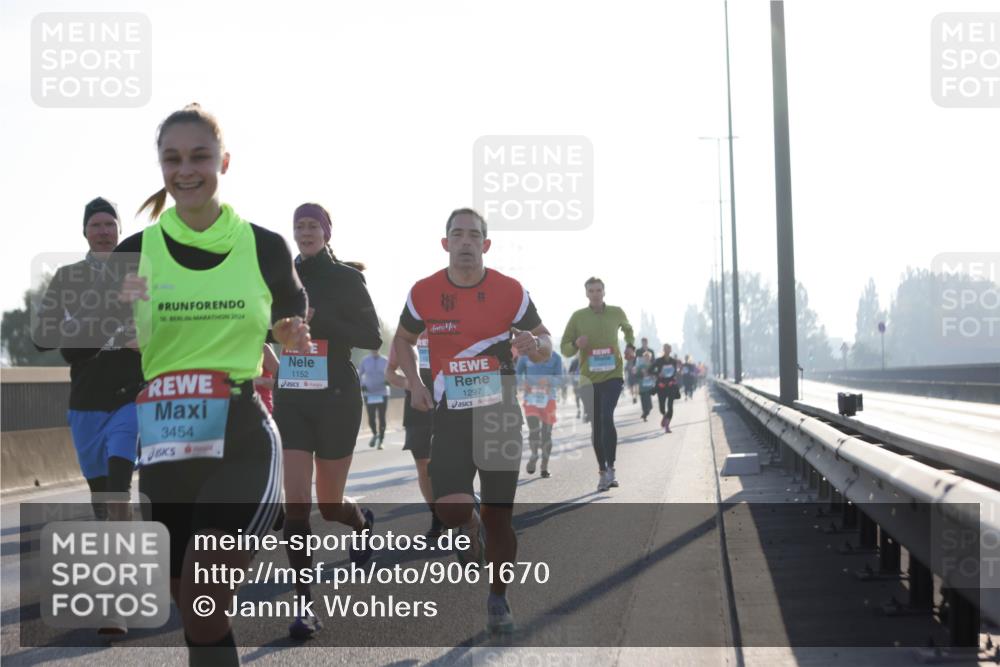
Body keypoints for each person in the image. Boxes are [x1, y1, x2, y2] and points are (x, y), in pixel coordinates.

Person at [107, 104, 309, 666]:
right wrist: (112, 327)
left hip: (241, 437)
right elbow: (83, 331)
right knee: (192, 612)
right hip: (166, 444)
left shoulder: (264, 244)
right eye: (172, 158)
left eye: (199, 156)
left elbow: (293, 309)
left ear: (224, 161)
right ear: (161, 166)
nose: (185, 170)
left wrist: (291, 331)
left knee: (201, 597)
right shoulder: (133, 253)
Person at [391, 208, 553, 634]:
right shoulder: (424, 292)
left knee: (501, 516)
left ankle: (498, 597)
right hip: (451, 417)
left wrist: (533, 342)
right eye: (457, 235)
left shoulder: (509, 290)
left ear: (486, 244)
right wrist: (414, 383)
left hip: (499, 414)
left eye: (473, 235)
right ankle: (469, 523)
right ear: (445, 243)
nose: (465, 242)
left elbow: (546, 343)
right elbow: (403, 340)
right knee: (451, 509)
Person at [32, 196, 144, 636]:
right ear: (85, 232)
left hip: (130, 395)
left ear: (119, 231)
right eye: (95, 225)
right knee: (103, 499)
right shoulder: (69, 278)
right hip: (85, 399)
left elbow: (163, 323)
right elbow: (45, 338)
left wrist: (146, 338)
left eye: (109, 225)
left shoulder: (137, 276)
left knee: (119, 488)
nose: (103, 231)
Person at [273, 202, 381, 640]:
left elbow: (372, 336)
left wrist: (323, 323)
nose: (305, 231)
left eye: (313, 224)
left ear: (327, 231)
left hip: (336, 393)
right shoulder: (281, 277)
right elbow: (258, 328)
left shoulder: (347, 279)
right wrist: (281, 328)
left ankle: (360, 524)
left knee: (329, 505)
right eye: (299, 225)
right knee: (296, 503)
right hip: (293, 393)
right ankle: (304, 605)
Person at [560, 277, 634, 492]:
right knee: (596, 424)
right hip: (588, 379)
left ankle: (611, 468)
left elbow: (628, 329)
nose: (595, 293)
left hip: (613, 375)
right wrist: (576, 344)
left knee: (606, 416)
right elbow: (565, 348)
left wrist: (630, 347)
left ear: (604, 292)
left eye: (598, 290)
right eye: (591, 290)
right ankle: (602, 471)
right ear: (586, 294)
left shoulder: (616, 312)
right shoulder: (578, 317)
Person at [385, 331, 443, 537]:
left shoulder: (449, 325)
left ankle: (462, 507)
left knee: (451, 459)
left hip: (447, 397)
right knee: (423, 464)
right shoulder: (404, 335)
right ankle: (437, 515)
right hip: (417, 403)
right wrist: (409, 384)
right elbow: (390, 372)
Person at [516, 349, 563, 478]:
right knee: (533, 430)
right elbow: (516, 374)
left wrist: (549, 381)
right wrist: (522, 382)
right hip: (530, 399)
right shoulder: (525, 356)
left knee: (546, 433)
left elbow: (560, 379)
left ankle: (544, 466)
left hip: (549, 399)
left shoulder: (556, 357)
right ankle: (534, 454)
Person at [358, 348, 389, 449]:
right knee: (371, 417)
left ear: (379, 349)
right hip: (369, 393)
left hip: (382, 392)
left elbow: (391, 373)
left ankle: (381, 440)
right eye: (372, 348)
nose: (374, 350)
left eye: (376, 348)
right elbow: (359, 374)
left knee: (382, 417)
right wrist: (362, 385)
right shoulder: (365, 360)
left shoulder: (385, 360)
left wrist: (389, 381)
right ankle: (375, 434)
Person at [652, 344, 681, 433]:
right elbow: (650, 370)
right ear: (663, 350)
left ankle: (667, 425)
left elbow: (675, 372)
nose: (667, 351)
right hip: (661, 386)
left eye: (668, 349)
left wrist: (674, 379)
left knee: (670, 406)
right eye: (665, 349)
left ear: (670, 350)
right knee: (661, 408)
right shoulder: (658, 361)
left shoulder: (673, 361)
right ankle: (664, 415)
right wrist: (658, 374)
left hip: (671, 386)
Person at [254, 344, 279, 414]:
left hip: (262, 411)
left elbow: (284, 384)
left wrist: (259, 381)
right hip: (232, 408)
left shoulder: (262, 348)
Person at [637, 350, 656, 422]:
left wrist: (651, 375)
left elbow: (655, 374)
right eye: (645, 357)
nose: (646, 358)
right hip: (642, 387)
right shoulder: (640, 366)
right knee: (643, 402)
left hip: (649, 387)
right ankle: (645, 414)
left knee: (650, 406)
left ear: (650, 358)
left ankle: (646, 412)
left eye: (648, 357)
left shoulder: (652, 365)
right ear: (643, 358)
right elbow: (637, 375)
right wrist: (641, 374)